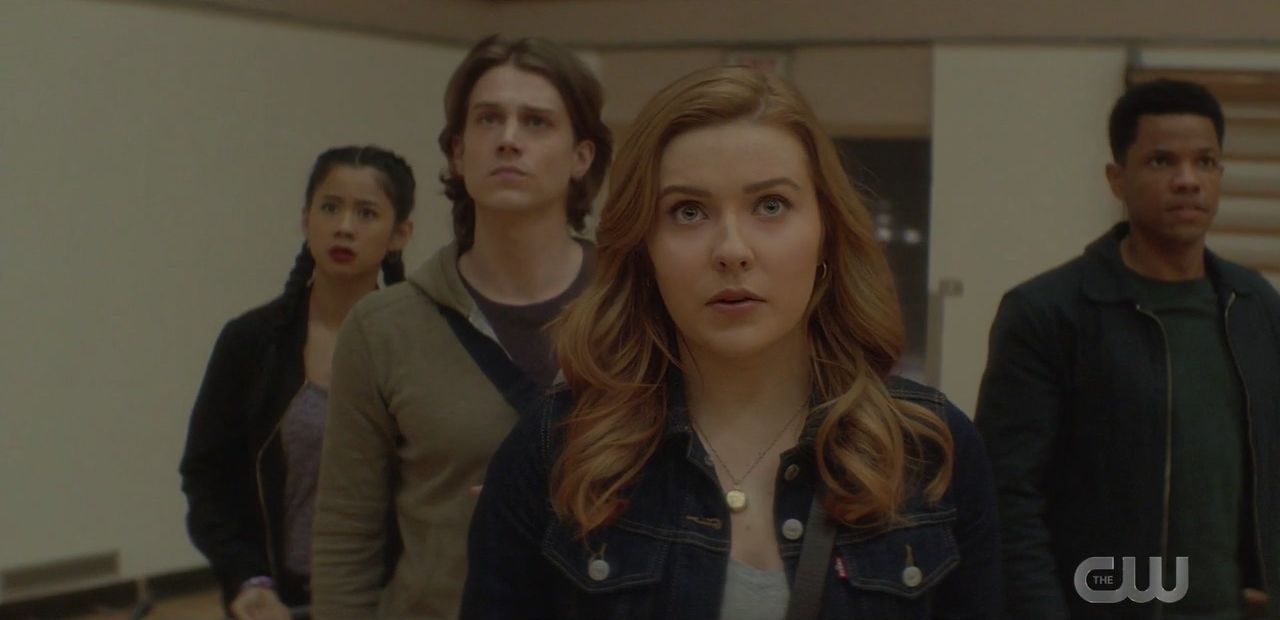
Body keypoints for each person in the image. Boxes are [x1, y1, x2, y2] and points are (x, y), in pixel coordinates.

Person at [461, 65, 1002, 619]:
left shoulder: (929, 449)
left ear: (825, 233)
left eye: (770, 205)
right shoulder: (557, 451)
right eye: (688, 211)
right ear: (644, 248)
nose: (732, 251)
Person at [309, 34, 611, 619]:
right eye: (488, 119)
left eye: (537, 122)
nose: (508, 138)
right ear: (457, 151)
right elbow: (347, 532)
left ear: (581, 157)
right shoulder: (384, 327)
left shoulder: (637, 308)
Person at [975, 78, 1279, 619]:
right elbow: (1007, 495)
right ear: (1117, 179)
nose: (1187, 180)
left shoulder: (1253, 305)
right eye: (1162, 161)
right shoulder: (1049, 313)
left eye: (1205, 162)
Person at [180, 145, 416, 620]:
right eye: (330, 207)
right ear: (306, 218)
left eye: (366, 213)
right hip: (275, 602)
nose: (344, 226)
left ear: (400, 234)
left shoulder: (420, 346)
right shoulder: (252, 342)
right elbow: (208, 480)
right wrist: (248, 579)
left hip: (391, 602)